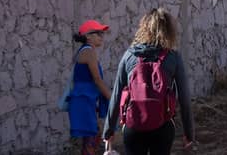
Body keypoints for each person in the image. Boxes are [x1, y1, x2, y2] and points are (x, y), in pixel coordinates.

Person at [104, 8, 194, 155]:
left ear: (144, 28)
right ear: (169, 31)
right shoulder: (173, 57)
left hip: (133, 127)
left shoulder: (129, 56)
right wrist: (189, 134)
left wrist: (108, 131)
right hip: (163, 126)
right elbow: (184, 99)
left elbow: (116, 95)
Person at [67, 20, 112, 155]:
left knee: (93, 136)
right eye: (98, 33)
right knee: (91, 138)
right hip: (84, 99)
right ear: (88, 36)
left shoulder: (87, 51)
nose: (101, 37)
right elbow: (97, 79)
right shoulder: (88, 52)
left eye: (102, 34)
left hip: (86, 99)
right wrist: (111, 98)